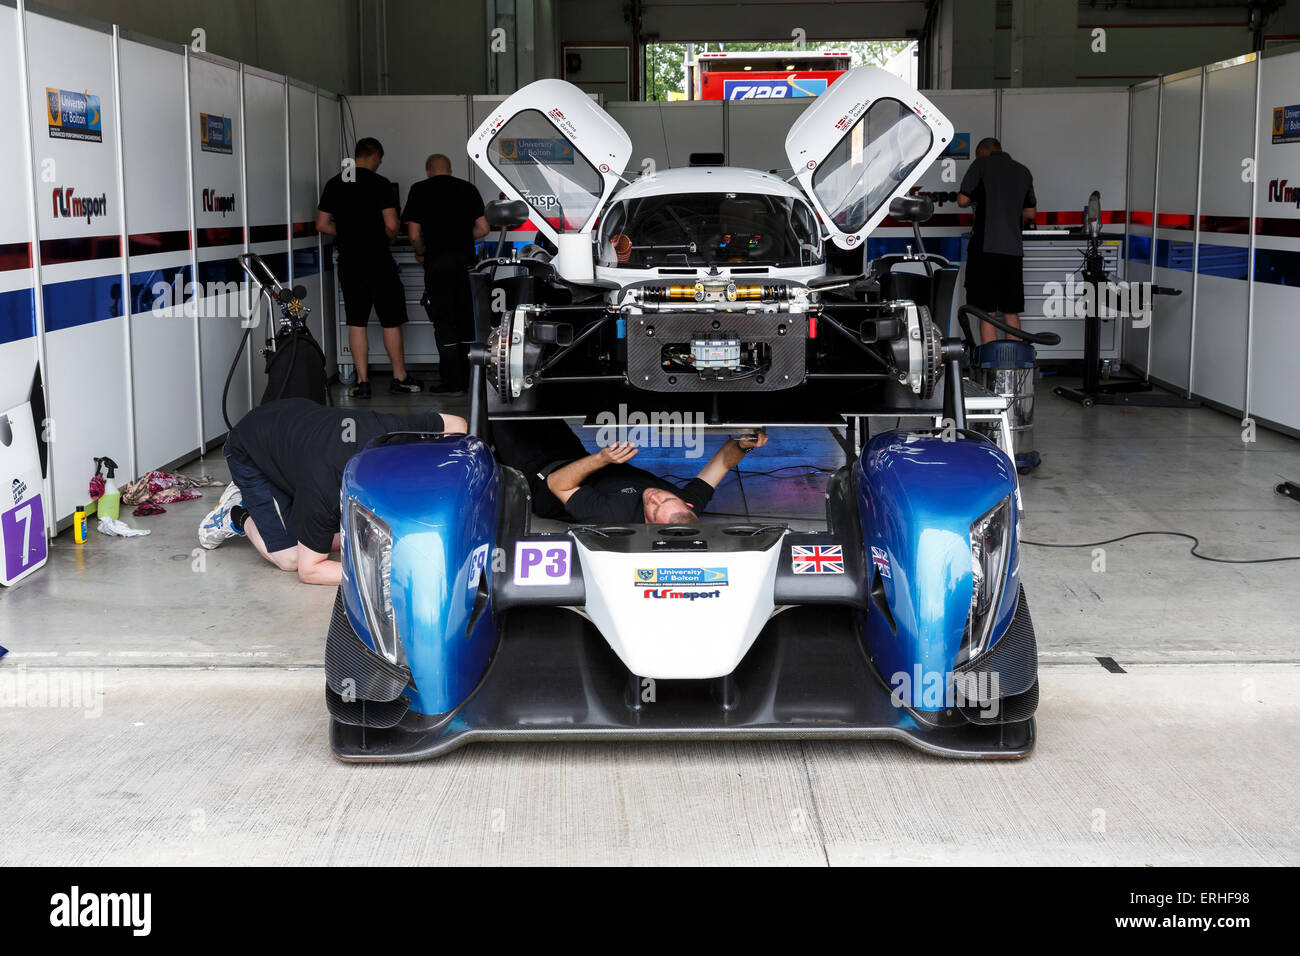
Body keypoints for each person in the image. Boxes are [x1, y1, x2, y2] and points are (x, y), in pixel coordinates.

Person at [198, 398, 467, 586]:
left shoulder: (390, 431)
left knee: (358, 533)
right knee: (291, 557)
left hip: (294, 426)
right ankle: (237, 512)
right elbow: (310, 570)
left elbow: (457, 424)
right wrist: (391, 576)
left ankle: (283, 491)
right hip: (249, 448)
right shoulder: (324, 487)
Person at [492, 419, 768, 525]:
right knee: (528, 402)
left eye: (653, 506)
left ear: (648, 523)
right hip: (572, 456)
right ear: (686, 504)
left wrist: (602, 459)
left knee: (497, 413)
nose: (655, 496)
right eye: (666, 498)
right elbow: (722, 463)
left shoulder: (613, 516)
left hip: (537, 471)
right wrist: (743, 445)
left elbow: (557, 483)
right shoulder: (685, 504)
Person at [317, 137, 423, 398]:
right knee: (390, 320)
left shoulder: (334, 183)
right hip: (377, 259)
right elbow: (391, 225)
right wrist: (385, 237)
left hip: (349, 261)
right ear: (375, 156)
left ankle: (362, 383)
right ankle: (399, 377)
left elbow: (321, 224)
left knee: (356, 321)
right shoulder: (380, 184)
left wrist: (344, 234)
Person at [402, 153, 490, 394]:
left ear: (428, 171)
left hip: (437, 265)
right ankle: (471, 381)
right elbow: (484, 228)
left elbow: (412, 235)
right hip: (465, 265)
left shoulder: (419, 190)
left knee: (444, 323)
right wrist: (459, 237)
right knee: (465, 321)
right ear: (450, 171)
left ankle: (451, 384)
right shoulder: (467, 189)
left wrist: (422, 252)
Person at [956, 137, 1038, 345]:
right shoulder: (1023, 171)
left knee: (987, 312)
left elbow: (962, 200)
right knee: (1011, 311)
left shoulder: (981, 164)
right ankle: (1014, 368)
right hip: (1013, 251)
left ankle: (991, 370)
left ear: (982, 152)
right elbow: (1030, 213)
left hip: (985, 249)